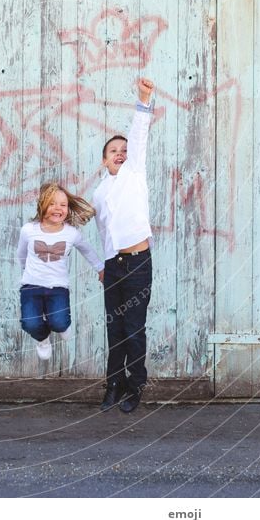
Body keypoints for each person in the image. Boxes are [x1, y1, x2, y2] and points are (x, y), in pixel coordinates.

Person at [93, 77, 155, 413]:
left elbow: (140, 133)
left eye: (124, 149)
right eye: (113, 151)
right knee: (114, 328)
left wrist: (144, 101)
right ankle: (113, 384)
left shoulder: (135, 172)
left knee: (133, 328)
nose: (121, 153)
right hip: (114, 267)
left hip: (138, 263)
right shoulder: (100, 193)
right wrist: (103, 265)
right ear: (104, 160)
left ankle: (135, 386)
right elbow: (104, 233)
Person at [17, 182, 104, 361]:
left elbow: (87, 250)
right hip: (31, 287)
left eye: (63, 205)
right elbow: (21, 254)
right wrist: (28, 271)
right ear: (42, 205)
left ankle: (63, 326)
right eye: (52, 204)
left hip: (58, 288)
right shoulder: (28, 230)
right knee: (30, 324)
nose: (58, 209)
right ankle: (42, 339)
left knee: (59, 322)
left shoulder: (71, 233)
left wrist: (100, 268)